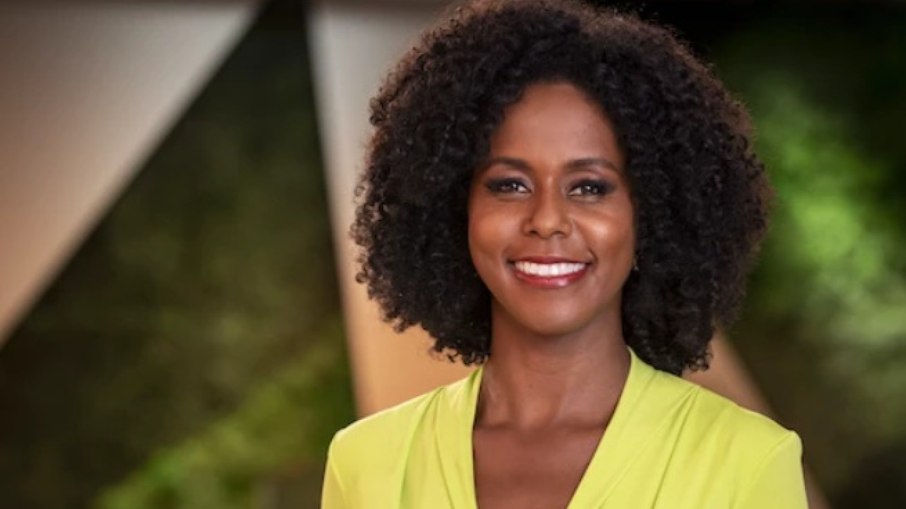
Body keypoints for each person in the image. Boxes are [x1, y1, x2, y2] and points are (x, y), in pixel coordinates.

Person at [322, 0, 808, 507]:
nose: (548, 219)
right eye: (509, 184)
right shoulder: (365, 461)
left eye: (590, 187)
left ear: (652, 213)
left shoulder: (747, 461)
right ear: (453, 208)